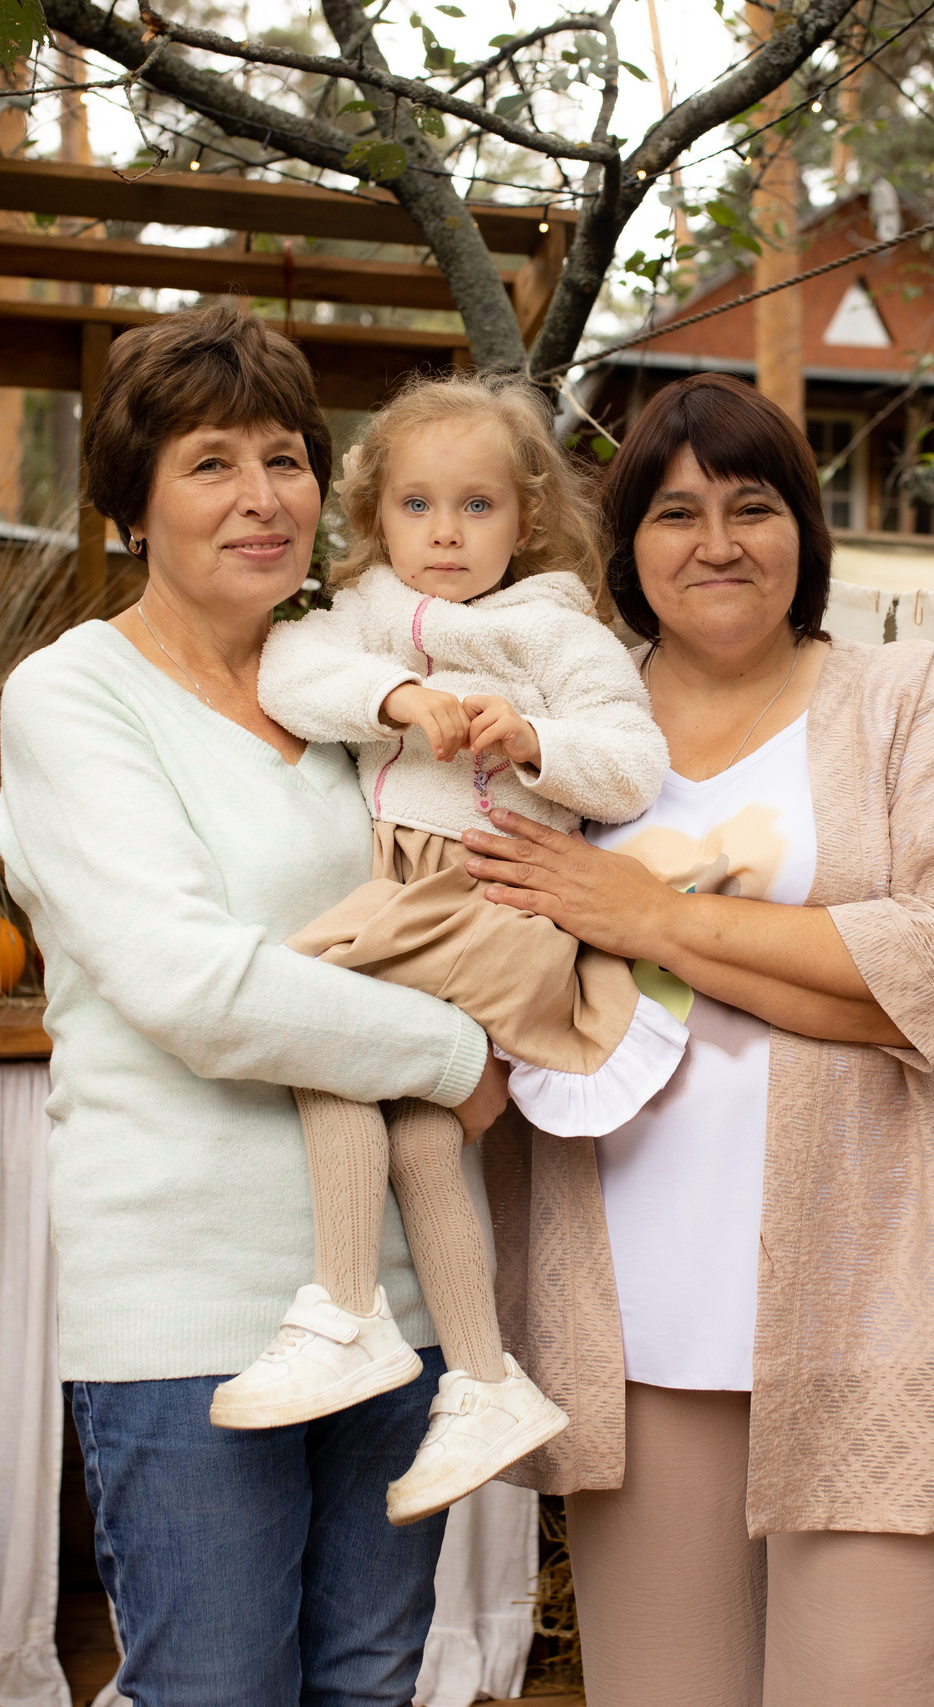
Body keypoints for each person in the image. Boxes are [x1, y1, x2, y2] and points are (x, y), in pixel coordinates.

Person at [460, 373, 934, 1707]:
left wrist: (647, 916)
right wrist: (834, 970)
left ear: (804, 534)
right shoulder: (570, 736)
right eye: (674, 512)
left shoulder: (905, 698)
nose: (716, 540)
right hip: (637, 1321)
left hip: (871, 1299)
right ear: (628, 547)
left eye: (752, 505)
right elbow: (503, 961)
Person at [0, 306, 513, 1707]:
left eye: (284, 458)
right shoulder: (74, 697)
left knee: (365, 1682)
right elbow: (195, 985)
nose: (262, 496)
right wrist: (462, 1052)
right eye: (210, 463)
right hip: (193, 1305)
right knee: (215, 1689)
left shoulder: (350, 694)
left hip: (389, 1292)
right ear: (134, 497)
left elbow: (456, 897)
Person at [216, 373, 686, 1524]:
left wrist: (536, 740)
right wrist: (393, 699)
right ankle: (483, 1380)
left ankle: (343, 1307)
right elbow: (289, 669)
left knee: (315, 1025)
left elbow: (632, 758)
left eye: (475, 508)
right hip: (416, 894)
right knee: (421, 1127)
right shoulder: (364, 617)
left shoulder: (557, 634)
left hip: (490, 897)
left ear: (523, 521)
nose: (443, 534)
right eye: (416, 507)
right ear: (378, 518)